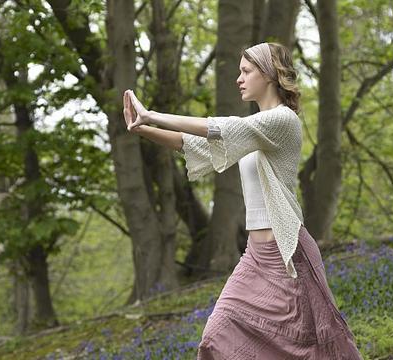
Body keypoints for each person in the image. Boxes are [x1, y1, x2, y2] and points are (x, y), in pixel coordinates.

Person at [123, 42, 363, 359]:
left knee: (308, 348)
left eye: (246, 71)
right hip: (256, 256)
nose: (239, 78)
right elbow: (194, 144)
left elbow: (221, 128)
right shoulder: (254, 131)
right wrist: (143, 128)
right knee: (215, 337)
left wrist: (152, 113)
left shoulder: (283, 120)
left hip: (288, 254)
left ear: (269, 74)